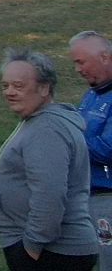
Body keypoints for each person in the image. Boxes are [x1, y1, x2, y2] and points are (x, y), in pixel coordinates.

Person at [0, 47, 99, 270]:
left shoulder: (47, 129)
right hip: (48, 251)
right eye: (5, 85)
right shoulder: (39, 122)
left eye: (18, 86)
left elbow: (49, 194)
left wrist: (32, 246)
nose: (9, 92)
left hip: (53, 253)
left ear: (44, 88)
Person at [67, 31, 112, 267]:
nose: (77, 69)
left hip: (107, 198)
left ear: (104, 57)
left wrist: (68, 137)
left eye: (80, 61)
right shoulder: (94, 93)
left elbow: (107, 150)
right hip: (87, 195)